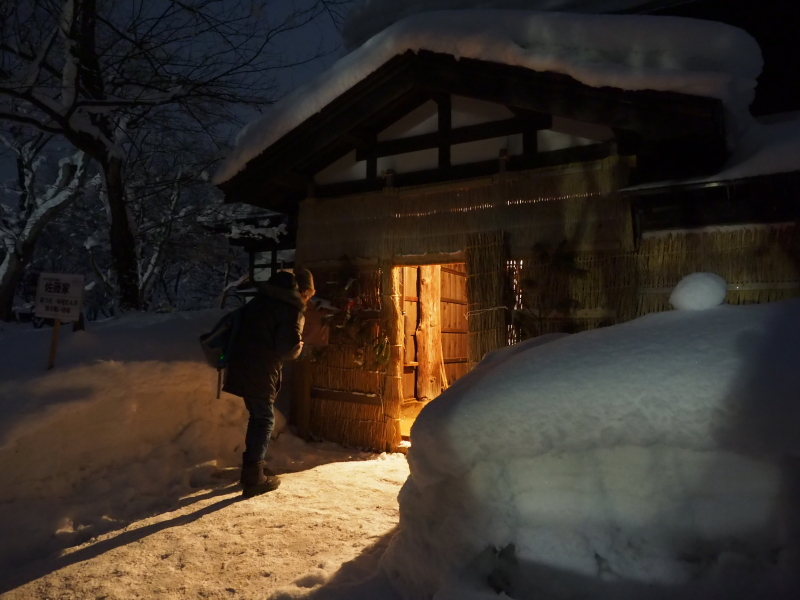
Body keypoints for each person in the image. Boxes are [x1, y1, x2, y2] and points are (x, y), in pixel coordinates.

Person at [223, 270, 306, 498]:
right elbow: (286, 348)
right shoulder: (289, 309)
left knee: (258, 417)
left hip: (241, 365)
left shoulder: (256, 303)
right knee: (263, 419)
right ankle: (254, 478)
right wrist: (299, 346)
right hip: (260, 369)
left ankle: (253, 468)